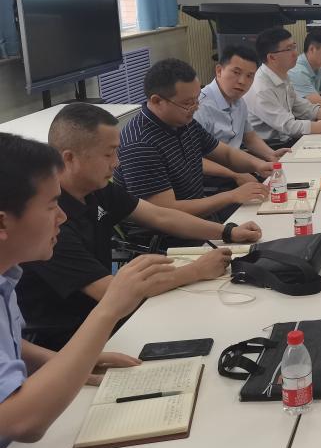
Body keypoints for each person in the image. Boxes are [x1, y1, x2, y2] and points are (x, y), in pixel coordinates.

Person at [0, 132, 177, 448]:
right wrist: (109, 310)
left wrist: (68, 362)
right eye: (51, 206)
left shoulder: (7, 275)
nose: (61, 217)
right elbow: (21, 422)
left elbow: (12, 347)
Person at [18, 103, 262, 350]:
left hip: (111, 319)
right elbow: (110, 292)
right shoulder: (50, 222)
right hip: (70, 340)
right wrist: (196, 271)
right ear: (69, 158)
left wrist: (227, 231)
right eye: (108, 154)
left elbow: (160, 216)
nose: (117, 163)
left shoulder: (95, 189)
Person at [115, 59, 273, 219]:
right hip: (170, 229)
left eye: (197, 99)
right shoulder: (140, 145)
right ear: (157, 101)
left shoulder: (184, 122)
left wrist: (259, 165)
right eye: (188, 103)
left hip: (198, 214)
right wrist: (232, 196)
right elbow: (166, 214)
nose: (196, 107)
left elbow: (226, 154)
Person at [195, 44, 291, 188]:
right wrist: (235, 174)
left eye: (249, 76)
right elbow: (194, 159)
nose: (242, 81)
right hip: (211, 178)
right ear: (219, 71)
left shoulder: (239, 101)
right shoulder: (199, 106)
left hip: (237, 169)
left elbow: (249, 137)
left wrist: (270, 155)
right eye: (236, 72)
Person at [245, 27, 321, 145]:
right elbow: (290, 127)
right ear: (272, 57)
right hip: (272, 146)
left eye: (294, 46)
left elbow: (306, 109)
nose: (295, 53)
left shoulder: (282, 76)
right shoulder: (261, 88)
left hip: (287, 139)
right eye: (289, 49)